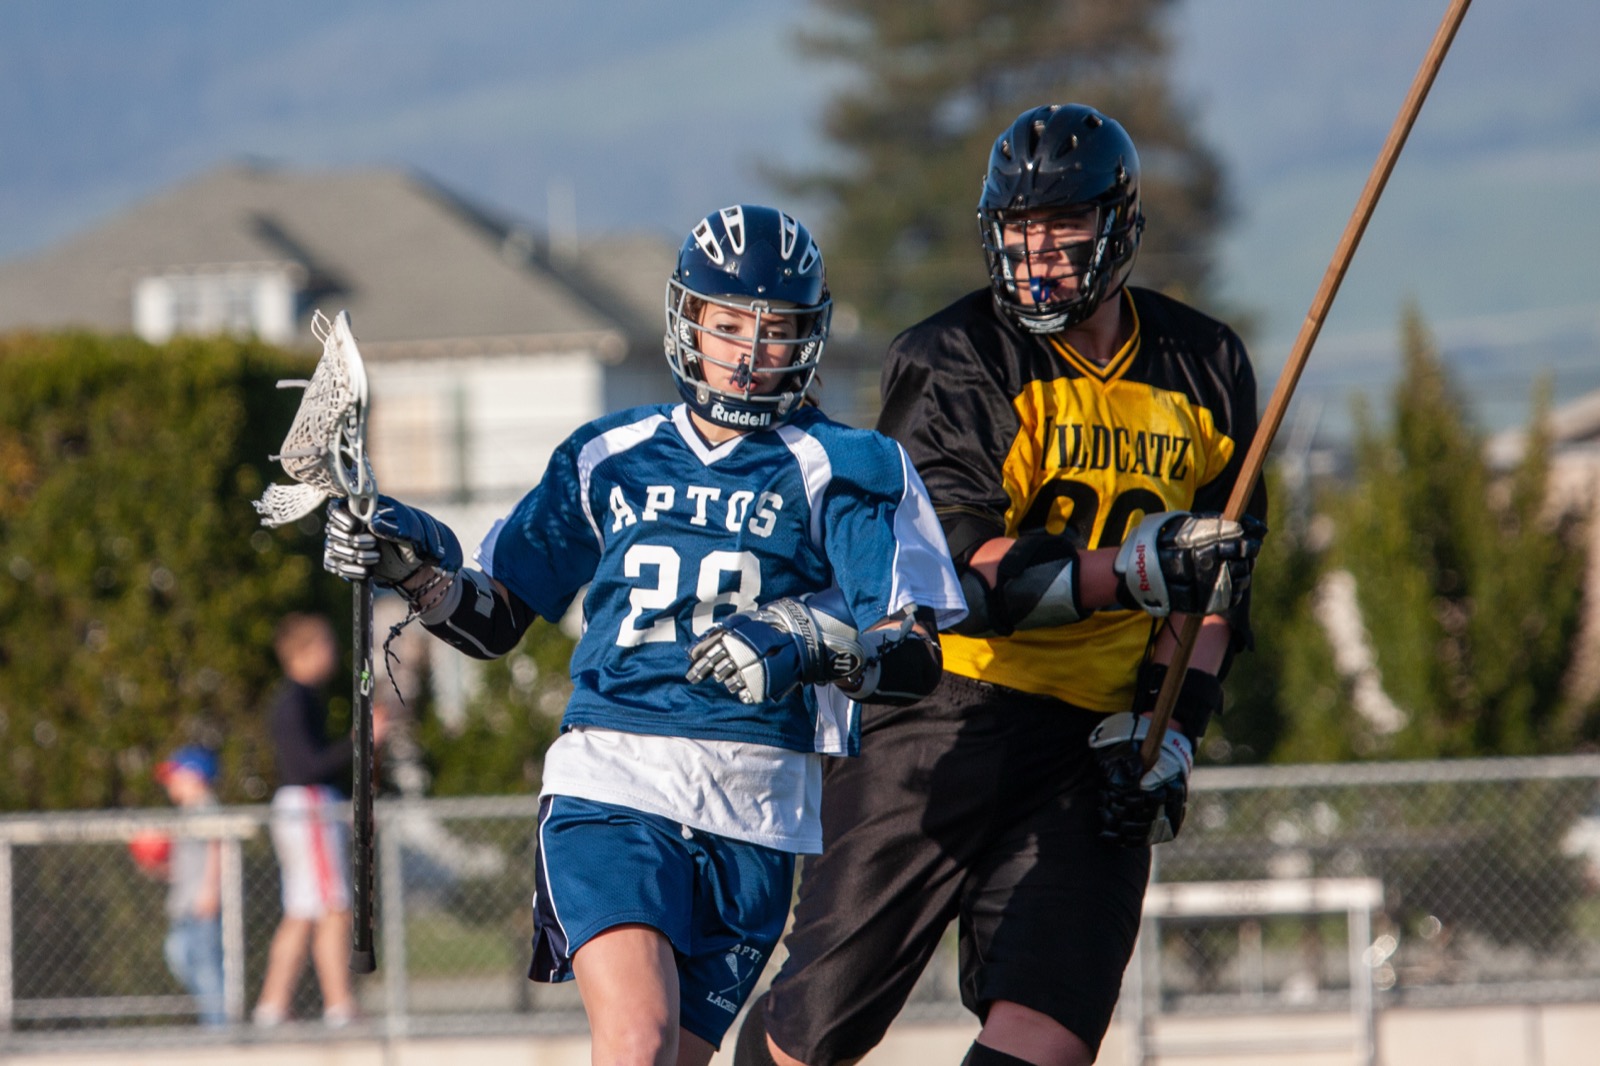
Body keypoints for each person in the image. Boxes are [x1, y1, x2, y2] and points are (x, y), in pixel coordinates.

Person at [321, 203, 964, 1066]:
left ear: (807, 339)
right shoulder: (606, 452)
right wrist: (415, 574)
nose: (746, 353)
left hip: (761, 808)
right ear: (687, 319)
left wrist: (813, 641)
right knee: (637, 1041)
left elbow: (914, 654)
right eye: (727, 324)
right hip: (615, 777)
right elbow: (495, 617)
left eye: (773, 332)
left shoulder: (848, 465)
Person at [733, 104, 1267, 1066]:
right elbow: (963, 582)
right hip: (944, 712)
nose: (1041, 257)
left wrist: (1168, 729)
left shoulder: (1207, 365)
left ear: (1121, 227)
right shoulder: (956, 357)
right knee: (807, 1038)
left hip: (1095, 736)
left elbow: (1217, 594)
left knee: (1048, 1037)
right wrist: (1138, 567)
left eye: (1064, 230)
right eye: (1021, 233)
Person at [254, 612, 386, 1027]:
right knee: (333, 907)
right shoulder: (294, 701)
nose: (333, 654)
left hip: (305, 808)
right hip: (308, 809)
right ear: (303, 652)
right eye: (326, 645)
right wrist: (361, 739)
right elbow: (308, 767)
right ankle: (338, 1004)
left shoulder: (299, 700)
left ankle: (272, 1006)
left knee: (302, 911)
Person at [152, 745, 226, 1027]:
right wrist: (159, 868)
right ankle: (215, 1019)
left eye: (175, 775)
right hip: (185, 903)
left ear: (194, 776)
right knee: (180, 956)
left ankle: (219, 1027)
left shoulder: (205, 806)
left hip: (200, 903)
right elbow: (184, 866)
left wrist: (210, 889)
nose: (170, 783)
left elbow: (216, 848)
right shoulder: (187, 812)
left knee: (205, 965)